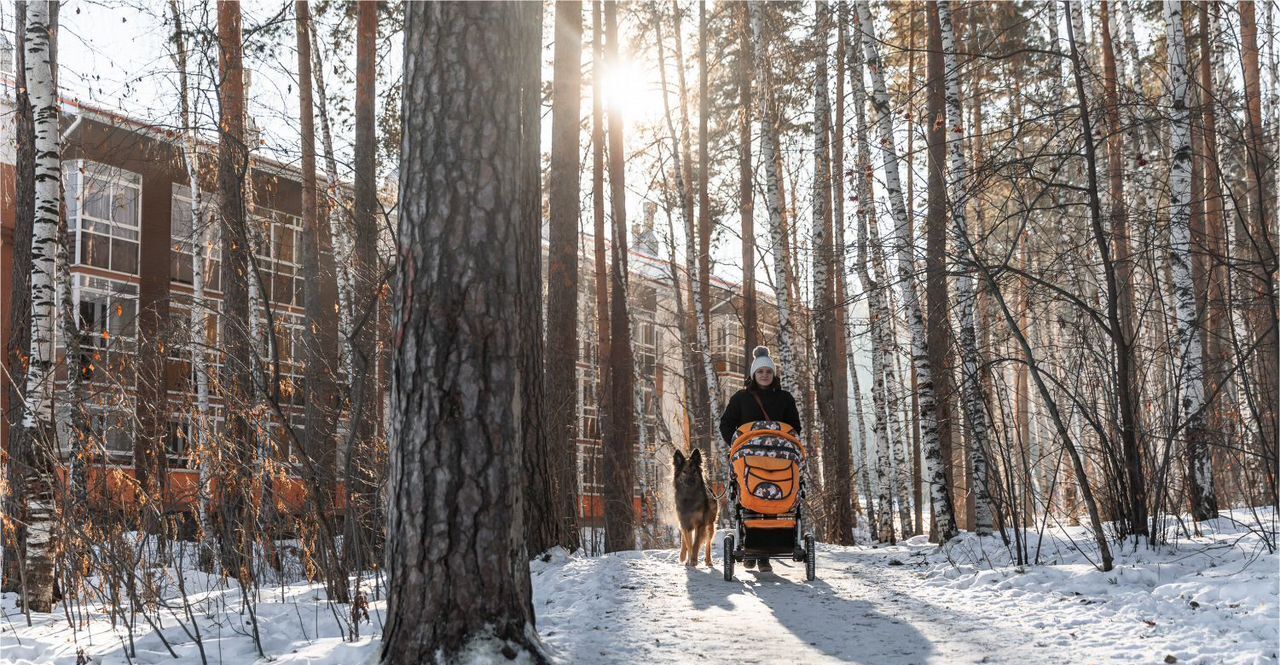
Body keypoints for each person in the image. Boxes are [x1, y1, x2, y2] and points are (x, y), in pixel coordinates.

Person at [718, 346, 802, 572]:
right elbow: (726, 424)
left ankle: (764, 555)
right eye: (760, 371)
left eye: (768, 371)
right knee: (749, 499)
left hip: (780, 459)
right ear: (753, 374)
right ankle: (750, 547)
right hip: (749, 458)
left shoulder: (785, 399)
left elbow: (795, 427)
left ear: (773, 374)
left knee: (776, 499)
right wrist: (736, 444)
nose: (764, 375)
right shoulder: (741, 398)